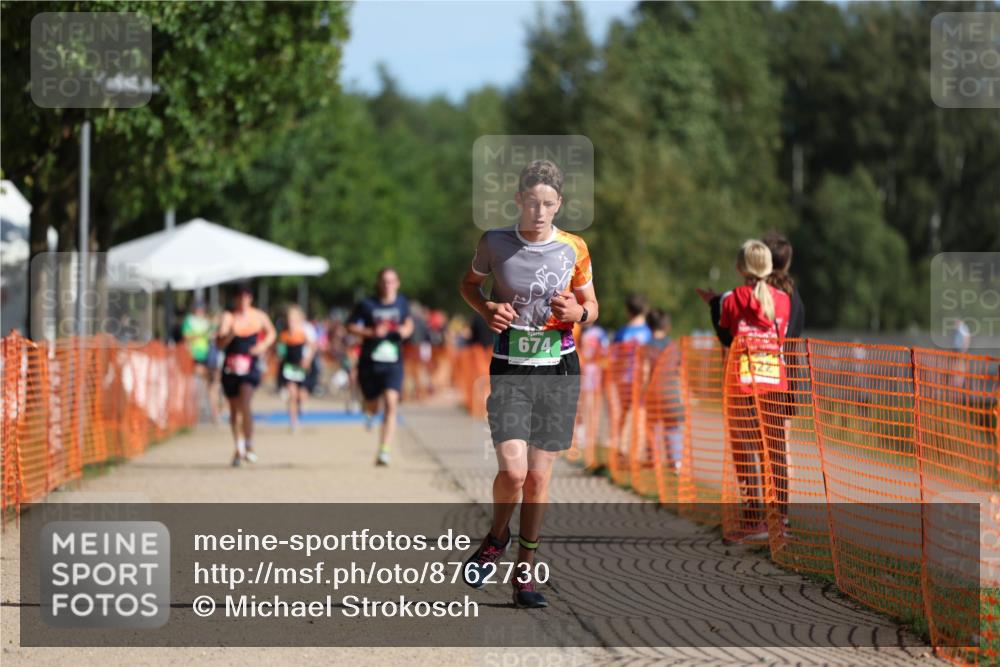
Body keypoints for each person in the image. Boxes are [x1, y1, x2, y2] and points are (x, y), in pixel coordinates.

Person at [458, 159, 599, 609]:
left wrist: (581, 314)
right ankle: (497, 535)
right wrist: (486, 311)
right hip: (511, 367)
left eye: (549, 204)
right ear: (518, 200)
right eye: (533, 202)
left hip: (558, 369)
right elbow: (468, 285)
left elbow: (592, 304)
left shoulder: (575, 247)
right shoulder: (495, 242)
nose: (540, 212)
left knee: (538, 479)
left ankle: (524, 573)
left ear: (559, 205)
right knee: (513, 473)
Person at [709, 240, 791, 543]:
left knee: (746, 452)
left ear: (741, 267)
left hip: (742, 384)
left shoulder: (732, 298)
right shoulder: (783, 299)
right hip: (775, 383)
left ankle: (753, 518)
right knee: (775, 452)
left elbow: (727, 332)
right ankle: (781, 520)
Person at [346, 267, 415, 466]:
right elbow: (349, 325)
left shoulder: (402, 303)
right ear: (378, 283)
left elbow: (408, 324)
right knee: (372, 405)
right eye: (384, 281)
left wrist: (404, 331)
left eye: (391, 281)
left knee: (391, 402)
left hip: (393, 362)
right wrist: (370, 332)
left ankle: (384, 449)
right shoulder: (367, 304)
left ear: (398, 283)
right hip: (370, 361)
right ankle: (368, 410)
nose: (388, 285)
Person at [217, 283, 277, 467]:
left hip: (250, 367)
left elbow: (272, 333)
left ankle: (249, 444)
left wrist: (262, 346)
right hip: (231, 367)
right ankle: (239, 447)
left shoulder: (258, 316)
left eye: (246, 296)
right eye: (239, 296)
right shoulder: (228, 317)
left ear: (250, 298)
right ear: (235, 299)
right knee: (234, 410)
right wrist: (230, 335)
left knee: (245, 403)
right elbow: (219, 343)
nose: (243, 300)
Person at [279, 304, 316, 433]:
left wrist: (307, 360)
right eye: (289, 319)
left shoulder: (303, 333)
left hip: (301, 367)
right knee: (292, 394)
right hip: (289, 367)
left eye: (294, 319)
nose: (291, 322)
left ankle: (299, 410)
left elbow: (312, 346)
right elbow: (280, 350)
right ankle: (293, 422)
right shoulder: (284, 334)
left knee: (301, 394)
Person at [182, 301, 219, 424]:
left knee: (212, 385)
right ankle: (197, 414)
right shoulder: (190, 320)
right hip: (195, 356)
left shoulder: (208, 322)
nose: (200, 311)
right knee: (199, 385)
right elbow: (186, 336)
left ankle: (214, 414)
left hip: (209, 357)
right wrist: (201, 335)